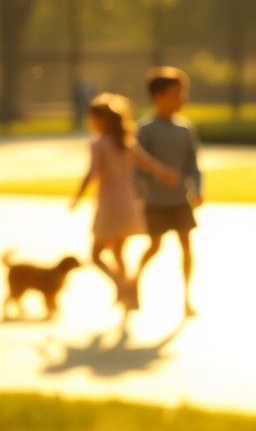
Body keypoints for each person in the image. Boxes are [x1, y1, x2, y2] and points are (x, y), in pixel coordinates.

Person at [69, 93, 177, 310]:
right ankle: (130, 296)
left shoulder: (100, 144)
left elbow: (91, 173)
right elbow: (148, 162)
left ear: (100, 120)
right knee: (118, 252)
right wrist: (165, 173)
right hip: (129, 205)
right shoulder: (126, 142)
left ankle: (121, 285)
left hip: (109, 205)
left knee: (96, 254)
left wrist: (77, 197)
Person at [133, 67, 204, 317]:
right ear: (158, 96)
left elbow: (193, 165)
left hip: (179, 200)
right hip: (156, 200)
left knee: (186, 246)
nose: (181, 98)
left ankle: (186, 298)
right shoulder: (146, 129)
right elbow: (137, 167)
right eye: (176, 93)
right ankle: (134, 282)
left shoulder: (184, 129)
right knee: (154, 246)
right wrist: (156, 177)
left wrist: (197, 188)